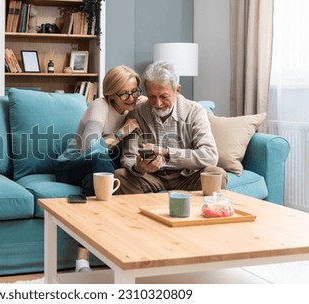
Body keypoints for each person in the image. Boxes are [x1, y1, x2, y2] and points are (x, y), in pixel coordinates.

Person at [55, 65, 143, 272]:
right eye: (124, 93)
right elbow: (90, 148)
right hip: (70, 165)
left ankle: (82, 260)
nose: (131, 98)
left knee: (96, 183)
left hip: (96, 170)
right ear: (111, 94)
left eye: (135, 91)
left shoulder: (137, 105)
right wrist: (122, 132)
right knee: (102, 161)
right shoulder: (99, 106)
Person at [115, 61, 227, 194]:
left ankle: (208, 212)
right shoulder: (137, 113)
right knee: (119, 176)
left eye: (163, 96)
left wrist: (166, 152)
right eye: (152, 96)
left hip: (186, 175)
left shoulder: (195, 111)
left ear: (177, 90)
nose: (157, 103)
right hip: (151, 176)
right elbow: (128, 156)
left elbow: (210, 155)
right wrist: (139, 167)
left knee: (216, 173)